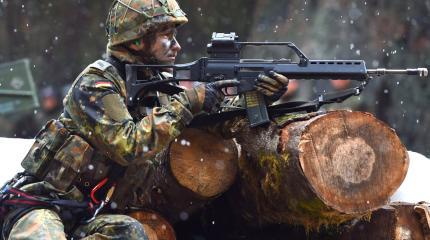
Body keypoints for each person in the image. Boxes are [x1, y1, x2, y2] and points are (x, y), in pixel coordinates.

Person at [0, 0, 289, 239]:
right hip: (39, 205)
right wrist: (188, 101)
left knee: (132, 233)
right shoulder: (96, 84)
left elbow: (211, 120)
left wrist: (257, 96)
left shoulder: (156, 83)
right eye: (167, 36)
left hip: (87, 214)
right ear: (137, 40)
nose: (176, 46)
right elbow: (129, 145)